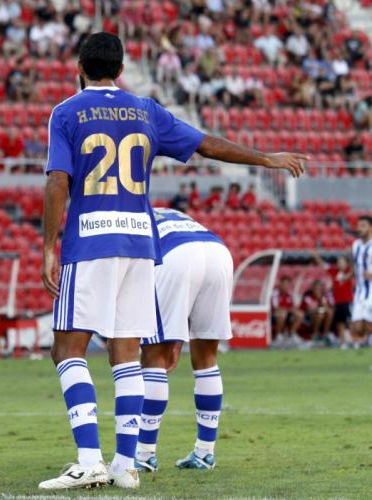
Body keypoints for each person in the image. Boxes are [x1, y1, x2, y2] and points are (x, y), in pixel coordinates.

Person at [40, 32, 305, 491]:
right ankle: (125, 465)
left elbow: (57, 181)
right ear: (121, 70)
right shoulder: (146, 110)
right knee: (127, 353)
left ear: (79, 68)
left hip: (92, 239)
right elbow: (206, 144)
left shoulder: (66, 112)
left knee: (67, 349)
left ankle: (89, 459)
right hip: (142, 243)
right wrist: (267, 158)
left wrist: (49, 246)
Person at [134, 208, 232, 472]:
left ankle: (144, 454)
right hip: (218, 252)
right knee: (207, 357)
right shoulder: (170, 212)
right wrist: (177, 338)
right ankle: (205, 452)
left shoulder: (126, 215)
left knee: (154, 358)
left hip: (173, 255)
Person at [311, 250, 354, 346]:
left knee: (350, 322)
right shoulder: (334, 271)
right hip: (338, 302)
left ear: (346, 264)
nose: (340, 264)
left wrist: (351, 254)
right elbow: (323, 264)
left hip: (348, 301)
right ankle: (344, 342)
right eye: (339, 262)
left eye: (342, 262)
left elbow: (355, 265)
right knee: (340, 323)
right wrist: (316, 256)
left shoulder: (349, 271)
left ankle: (354, 340)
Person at [350, 215, 372, 348]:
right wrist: (347, 276)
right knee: (357, 328)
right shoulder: (355, 245)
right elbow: (355, 266)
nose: (359, 228)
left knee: (368, 324)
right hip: (359, 291)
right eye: (358, 226)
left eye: (363, 226)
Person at [271, 276, 304, 347]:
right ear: (280, 284)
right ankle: (278, 336)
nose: (285, 286)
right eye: (284, 284)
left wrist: (292, 310)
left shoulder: (289, 294)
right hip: (275, 314)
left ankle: (292, 334)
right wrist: (288, 309)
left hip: (287, 313)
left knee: (299, 314)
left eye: (287, 284)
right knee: (282, 314)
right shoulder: (275, 292)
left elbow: (292, 306)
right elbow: (275, 307)